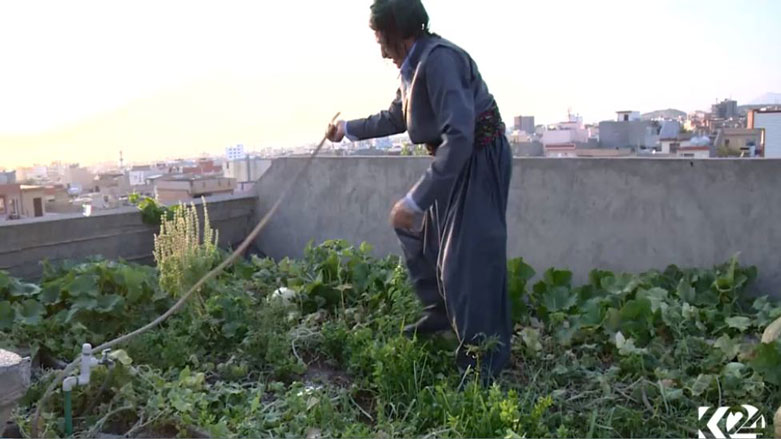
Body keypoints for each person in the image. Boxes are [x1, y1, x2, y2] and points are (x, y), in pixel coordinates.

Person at [326, 0, 512, 379]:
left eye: (382, 39)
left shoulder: (440, 61)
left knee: (468, 265)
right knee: (416, 231)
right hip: (455, 162)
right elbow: (398, 116)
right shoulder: (414, 64)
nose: (381, 51)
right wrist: (348, 130)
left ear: (397, 32)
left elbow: (460, 137)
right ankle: (441, 313)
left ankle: (482, 368)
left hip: (475, 158)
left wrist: (417, 198)